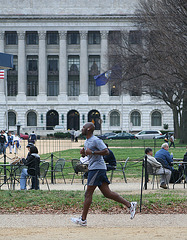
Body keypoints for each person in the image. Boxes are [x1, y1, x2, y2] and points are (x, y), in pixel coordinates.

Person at [71, 122, 137, 226]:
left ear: (88, 129)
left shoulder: (96, 140)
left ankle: (83, 219)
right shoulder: (87, 141)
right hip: (96, 168)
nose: (82, 129)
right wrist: (84, 153)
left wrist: (92, 152)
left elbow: (106, 152)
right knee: (107, 193)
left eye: (83, 127)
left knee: (88, 193)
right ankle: (130, 205)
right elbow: (89, 154)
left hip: (97, 169)